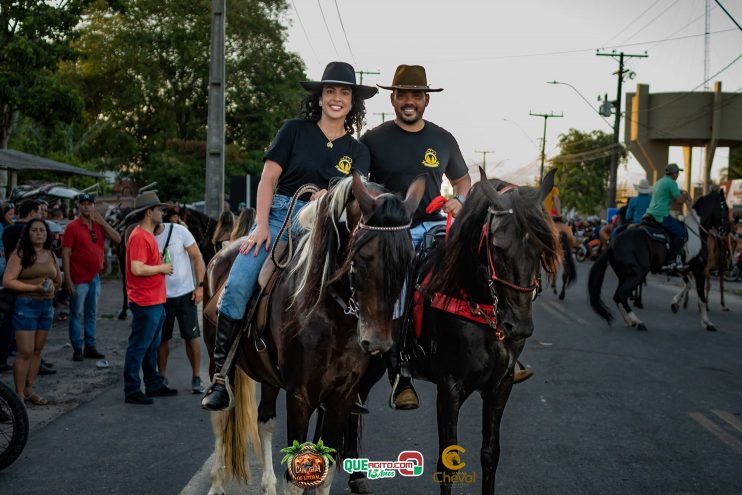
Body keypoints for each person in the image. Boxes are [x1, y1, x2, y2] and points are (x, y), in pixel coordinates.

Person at [201, 61, 377, 411]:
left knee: (365, 283)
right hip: (281, 216)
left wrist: (331, 200)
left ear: (353, 101)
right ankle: (221, 375)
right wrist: (262, 225)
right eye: (330, 91)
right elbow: (268, 179)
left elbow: (358, 198)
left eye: (344, 93)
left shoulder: (358, 151)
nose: (337, 98)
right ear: (320, 97)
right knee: (239, 282)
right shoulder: (293, 130)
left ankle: (350, 377)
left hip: (330, 227)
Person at [360, 64, 471, 410]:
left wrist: (460, 200)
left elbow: (464, 182)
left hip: (434, 225)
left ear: (426, 100)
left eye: (416, 95)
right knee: (400, 287)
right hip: (391, 233)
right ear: (393, 98)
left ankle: (498, 349)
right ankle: (401, 374)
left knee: (471, 266)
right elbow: (358, 187)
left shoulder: (443, 138)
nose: (409, 101)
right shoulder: (372, 140)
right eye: (403, 94)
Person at [123, 191, 178, 405]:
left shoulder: (146, 235)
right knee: (139, 346)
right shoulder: (139, 236)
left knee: (149, 345)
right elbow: (136, 269)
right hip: (146, 301)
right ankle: (132, 389)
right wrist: (162, 267)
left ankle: (153, 384)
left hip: (154, 300)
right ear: (148, 212)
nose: (161, 212)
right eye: (158, 209)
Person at [2, 218, 61, 405]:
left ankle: (29, 390)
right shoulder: (20, 253)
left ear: (47, 234)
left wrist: (53, 287)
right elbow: (8, 280)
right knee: (25, 352)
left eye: (42, 230)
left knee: (37, 351)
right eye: (34, 230)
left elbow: (57, 279)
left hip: (46, 307)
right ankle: (18, 397)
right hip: (25, 306)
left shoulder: (50, 254)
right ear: (28, 233)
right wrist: (34, 288)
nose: (38, 233)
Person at [62, 193, 121, 362]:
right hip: (78, 278)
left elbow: (117, 239)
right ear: (79, 207)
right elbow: (66, 253)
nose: (86, 206)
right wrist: (68, 279)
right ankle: (77, 348)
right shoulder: (72, 227)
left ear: (94, 206)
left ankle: (90, 346)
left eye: (89, 203)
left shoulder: (98, 225)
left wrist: (102, 222)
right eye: (83, 204)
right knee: (76, 313)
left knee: (91, 313)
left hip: (95, 276)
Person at [154, 220, 206, 393]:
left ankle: (197, 377)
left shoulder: (179, 231)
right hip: (162, 297)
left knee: (191, 337)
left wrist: (200, 286)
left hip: (185, 294)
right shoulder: (146, 236)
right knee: (162, 339)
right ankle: (162, 377)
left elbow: (197, 256)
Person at [645, 163, 690, 271]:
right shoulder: (672, 183)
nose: (678, 174)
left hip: (650, 213)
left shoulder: (660, 182)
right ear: (673, 173)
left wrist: (679, 193)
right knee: (682, 234)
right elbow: (679, 201)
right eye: (677, 173)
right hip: (661, 215)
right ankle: (672, 260)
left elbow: (671, 195)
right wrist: (685, 195)